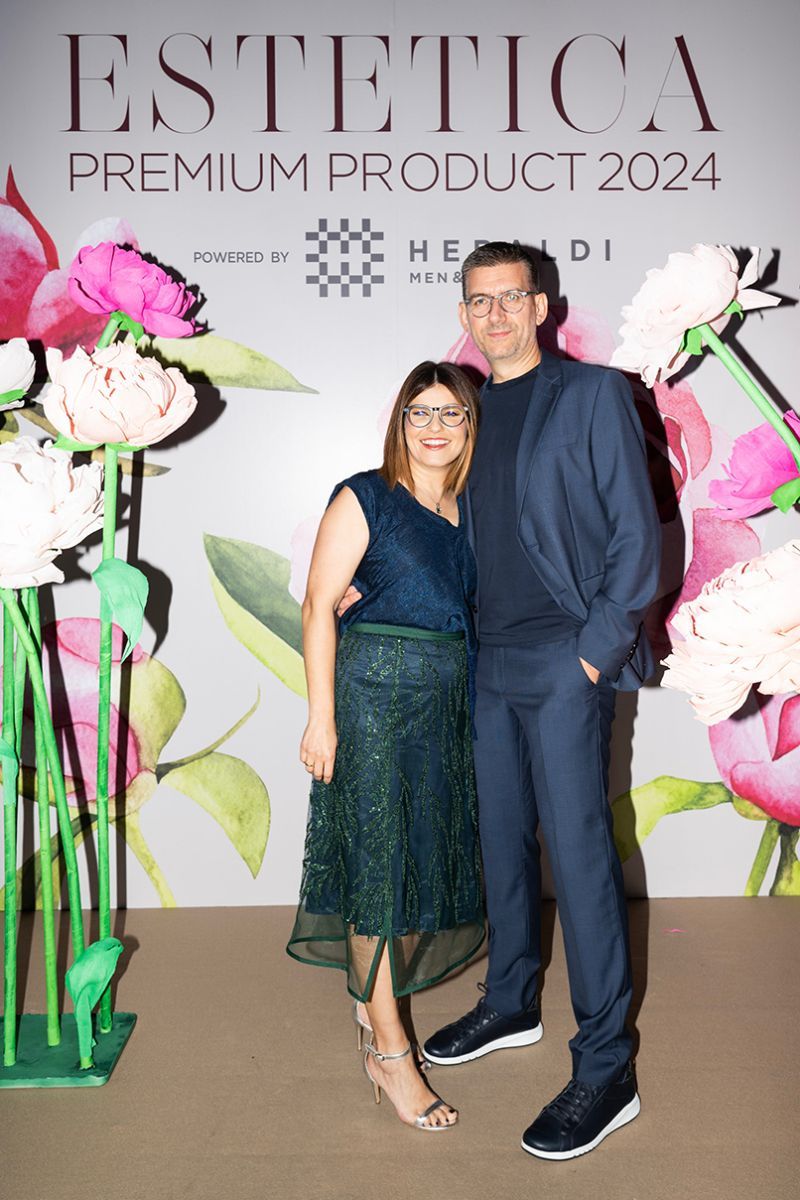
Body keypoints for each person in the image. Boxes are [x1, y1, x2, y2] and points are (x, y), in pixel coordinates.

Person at [418, 242, 662, 1160]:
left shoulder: (593, 394)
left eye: (509, 297)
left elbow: (635, 534)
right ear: (465, 313)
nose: (494, 314)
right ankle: (512, 999)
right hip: (487, 659)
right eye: (478, 301)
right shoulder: (464, 409)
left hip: (566, 660)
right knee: (500, 842)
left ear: (541, 306)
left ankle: (606, 1069)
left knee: (581, 857)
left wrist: (594, 655)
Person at [286, 360, 484, 1132]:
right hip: (371, 704)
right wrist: (322, 718)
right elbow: (317, 606)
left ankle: (372, 1010)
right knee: (376, 871)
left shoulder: (473, 510)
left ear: (469, 426)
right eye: (419, 412)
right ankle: (392, 1053)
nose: (435, 427)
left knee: (413, 868)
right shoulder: (365, 496)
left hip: (445, 711)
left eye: (451, 413)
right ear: (400, 422)